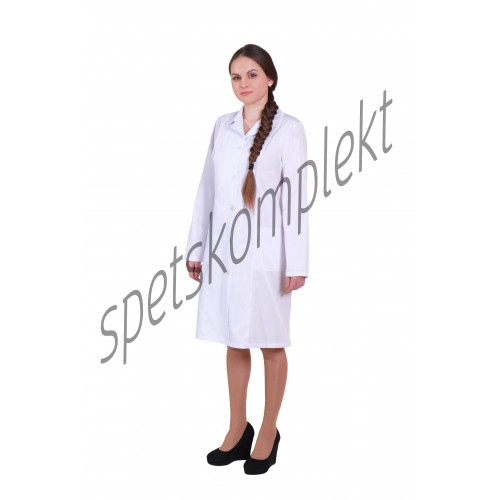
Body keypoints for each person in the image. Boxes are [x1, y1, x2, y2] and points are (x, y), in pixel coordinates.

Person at [184, 44, 309, 475]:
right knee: (233, 340)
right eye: (236, 77)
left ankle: (268, 432)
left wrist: (298, 262)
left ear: (270, 78)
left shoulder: (288, 130)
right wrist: (197, 247)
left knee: (270, 341)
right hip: (225, 253)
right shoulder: (221, 127)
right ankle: (238, 428)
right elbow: (207, 190)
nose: (243, 84)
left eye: (252, 75)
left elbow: (296, 202)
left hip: (267, 255)